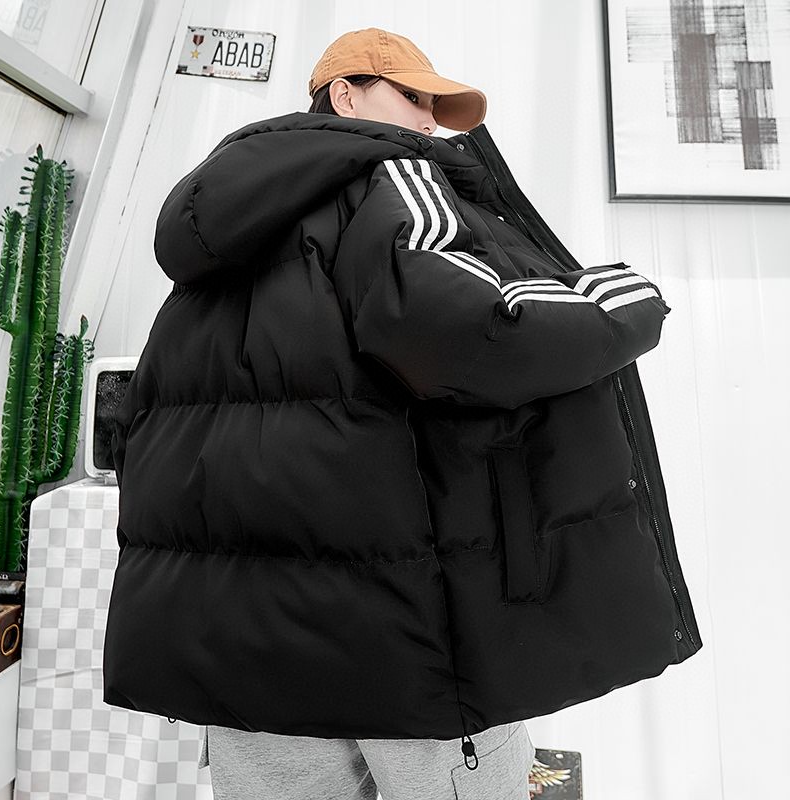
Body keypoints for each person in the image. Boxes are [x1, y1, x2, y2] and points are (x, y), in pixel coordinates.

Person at [103, 26, 702, 800]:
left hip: (240, 649)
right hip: (405, 634)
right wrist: (622, 297)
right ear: (345, 96)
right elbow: (483, 328)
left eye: (435, 107)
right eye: (412, 96)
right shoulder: (390, 179)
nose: (428, 120)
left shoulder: (218, 235)